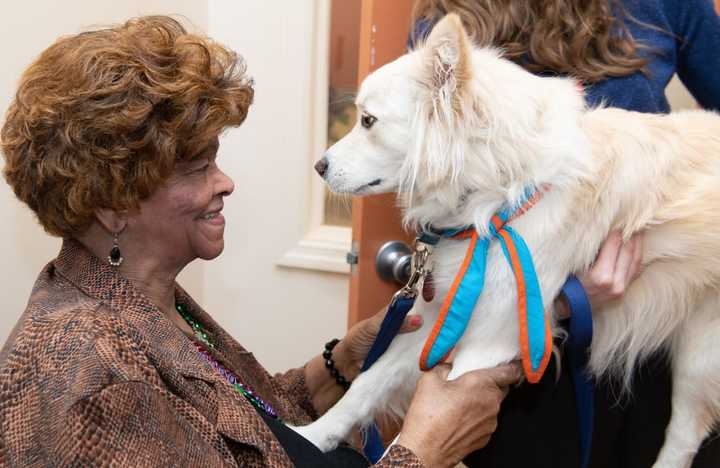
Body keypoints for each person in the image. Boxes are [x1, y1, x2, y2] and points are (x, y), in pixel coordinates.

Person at [0, 16, 522, 467]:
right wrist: (424, 451)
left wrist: (339, 363)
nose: (224, 183)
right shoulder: (88, 375)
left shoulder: (141, 298)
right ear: (115, 205)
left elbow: (245, 431)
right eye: (200, 168)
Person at [410, 0, 720, 467]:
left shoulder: (668, 6)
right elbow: (433, 184)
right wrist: (566, 297)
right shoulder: (446, 23)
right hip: (515, 339)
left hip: (649, 329)